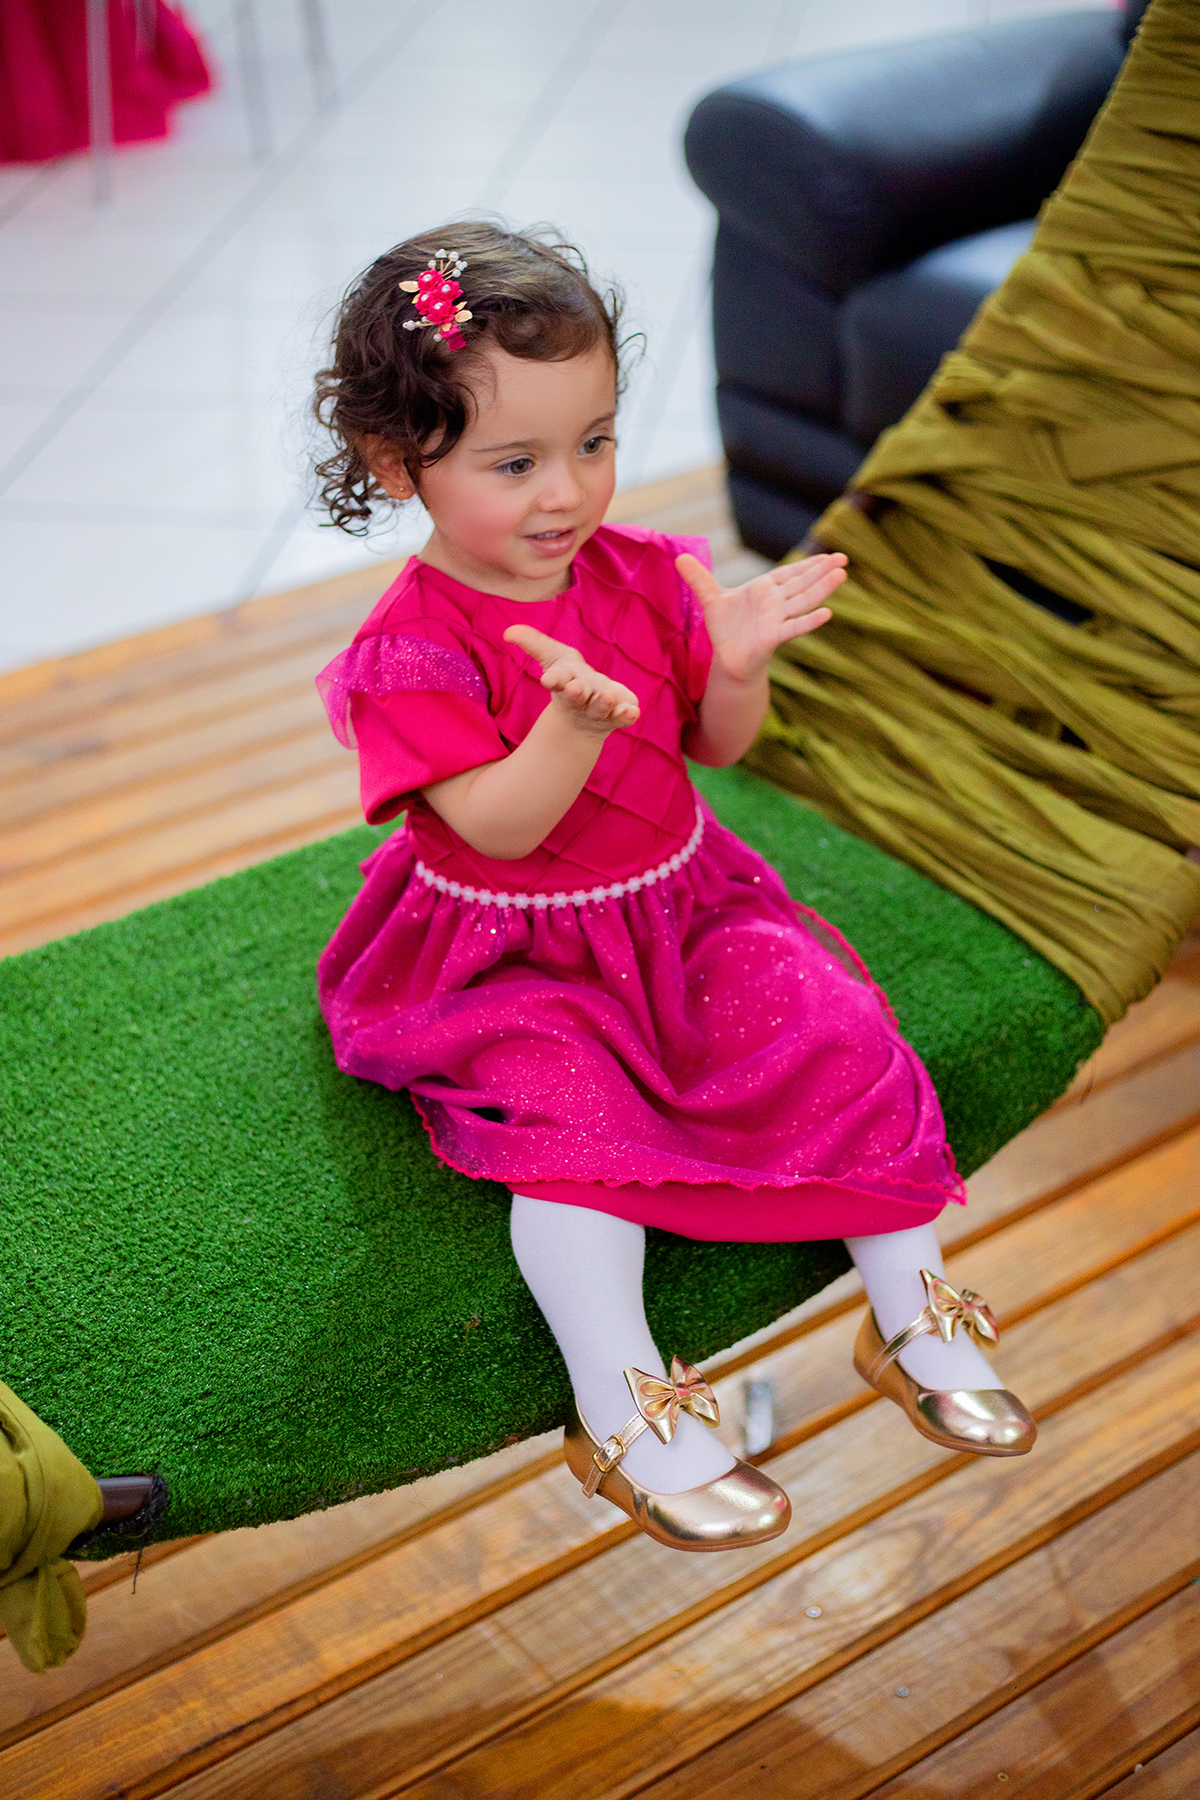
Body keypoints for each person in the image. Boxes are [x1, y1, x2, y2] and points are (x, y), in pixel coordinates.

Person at [311, 222, 1035, 1553]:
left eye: (593, 442)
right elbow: (500, 829)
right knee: (570, 1137)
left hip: (683, 901)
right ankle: (624, 1396)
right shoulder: (410, 651)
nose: (567, 492)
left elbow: (713, 746)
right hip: (509, 955)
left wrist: (739, 662)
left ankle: (917, 1312)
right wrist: (570, 727)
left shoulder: (647, 573)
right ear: (396, 460)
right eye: (513, 461)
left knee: (841, 1032)